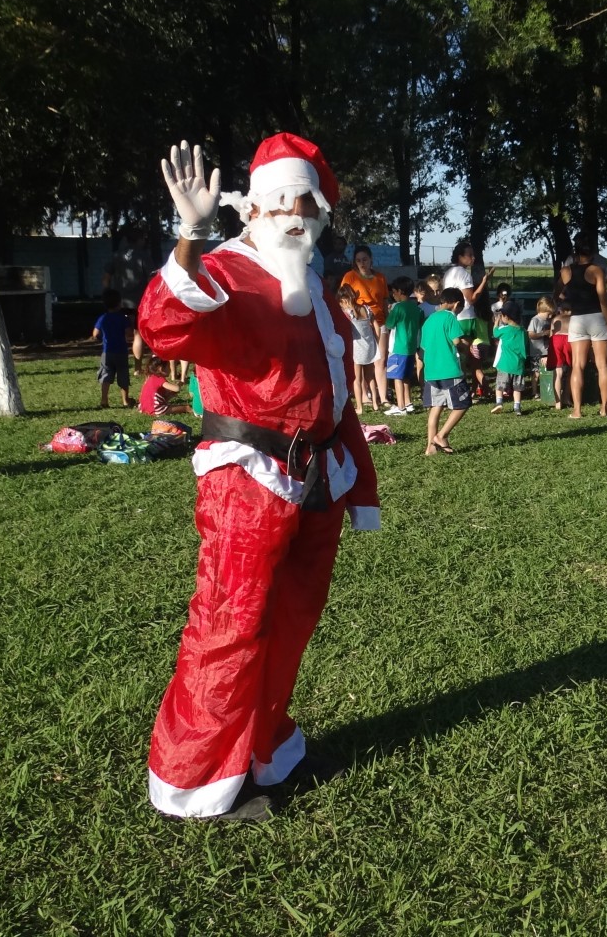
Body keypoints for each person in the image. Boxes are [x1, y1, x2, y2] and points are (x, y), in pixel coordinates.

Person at [138, 134, 379, 822]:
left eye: (307, 203)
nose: (295, 214)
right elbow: (163, 324)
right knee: (231, 623)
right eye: (282, 201)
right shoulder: (224, 271)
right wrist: (189, 235)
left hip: (318, 480)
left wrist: (356, 483)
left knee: (292, 621)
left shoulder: (316, 287)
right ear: (251, 208)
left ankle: (265, 750)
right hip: (247, 483)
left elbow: (335, 397)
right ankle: (194, 779)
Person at [558, 234, 607, 418]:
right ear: (592, 252)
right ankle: (604, 408)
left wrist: (566, 303)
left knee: (577, 366)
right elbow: (603, 301)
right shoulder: (596, 270)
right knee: (603, 365)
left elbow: (557, 293)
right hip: (597, 318)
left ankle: (577, 410)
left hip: (577, 319)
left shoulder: (566, 271)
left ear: (575, 251)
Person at [420, 287, 473, 453]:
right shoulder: (450, 317)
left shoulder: (429, 320)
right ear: (456, 304)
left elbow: (424, 346)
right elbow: (456, 341)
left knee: (436, 407)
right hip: (449, 370)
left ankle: (430, 447)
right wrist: (466, 346)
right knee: (463, 403)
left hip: (431, 371)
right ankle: (441, 435)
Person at [338, 246, 390, 407]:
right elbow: (343, 298)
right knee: (360, 362)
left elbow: (385, 300)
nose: (362, 263)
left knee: (380, 359)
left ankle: (383, 397)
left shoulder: (380, 277)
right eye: (358, 260)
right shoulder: (350, 276)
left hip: (379, 321)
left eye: (365, 259)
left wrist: (388, 320)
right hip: (358, 324)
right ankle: (364, 396)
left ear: (371, 259)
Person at [442, 243, 494, 397]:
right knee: (469, 358)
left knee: (460, 356)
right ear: (460, 257)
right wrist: (484, 282)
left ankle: (471, 390)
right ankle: (468, 390)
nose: (473, 258)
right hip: (466, 318)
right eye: (469, 255)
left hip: (452, 317)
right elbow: (471, 299)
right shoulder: (464, 274)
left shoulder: (448, 273)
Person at [103, 225, 153, 375]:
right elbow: (151, 278)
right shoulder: (144, 256)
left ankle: (117, 365)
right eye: (143, 238)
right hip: (139, 302)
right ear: (139, 239)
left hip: (119, 301)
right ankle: (137, 368)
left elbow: (106, 277)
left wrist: (107, 294)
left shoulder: (116, 255)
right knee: (138, 334)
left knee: (118, 333)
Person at [382, 276, 424, 415]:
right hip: (411, 347)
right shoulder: (416, 308)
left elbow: (389, 324)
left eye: (394, 292)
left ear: (400, 291)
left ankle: (401, 407)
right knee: (406, 377)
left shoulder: (398, 307)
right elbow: (420, 322)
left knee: (397, 378)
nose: (393, 295)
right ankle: (408, 403)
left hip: (398, 348)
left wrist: (389, 312)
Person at [338, 284, 381, 415]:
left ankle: (360, 407)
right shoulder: (366, 309)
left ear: (344, 300)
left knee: (357, 379)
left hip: (356, 348)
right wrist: (377, 341)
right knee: (370, 377)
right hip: (370, 346)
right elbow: (376, 326)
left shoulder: (347, 313)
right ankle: (375, 404)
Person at [93, 288, 132, 409]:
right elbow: (129, 333)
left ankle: (104, 400)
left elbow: (95, 333)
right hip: (121, 351)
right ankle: (125, 400)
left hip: (107, 351)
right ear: (119, 303)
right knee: (123, 375)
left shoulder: (103, 318)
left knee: (105, 375)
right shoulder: (123, 318)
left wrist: (102, 339)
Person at [491, 300, 529, 415]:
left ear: (506, 317)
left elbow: (495, 333)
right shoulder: (523, 331)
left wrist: (496, 322)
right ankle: (517, 407)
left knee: (500, 385)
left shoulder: (505, 330)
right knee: (517, 388)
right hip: (519, 365)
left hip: (505, 364)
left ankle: (499, 402)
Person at [527, 296, 555, 403]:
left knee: (547, 371)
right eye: (548, 314)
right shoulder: (535, 320)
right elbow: (531, 334)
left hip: (546, 351)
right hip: (536, 352)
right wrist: (543, 334)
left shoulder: (548, 321)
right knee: (536, 372)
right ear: (542, 311)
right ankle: (534, 392)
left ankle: (547, 391)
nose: (550, 316)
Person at [549, 309, 572, 410]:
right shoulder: (572, 319)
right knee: (571, 370)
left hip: (555, 340)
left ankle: (558, 402)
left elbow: (551, 333)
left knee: (558, 373)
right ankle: (566, 398)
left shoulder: (556, 318)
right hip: (569, 339)